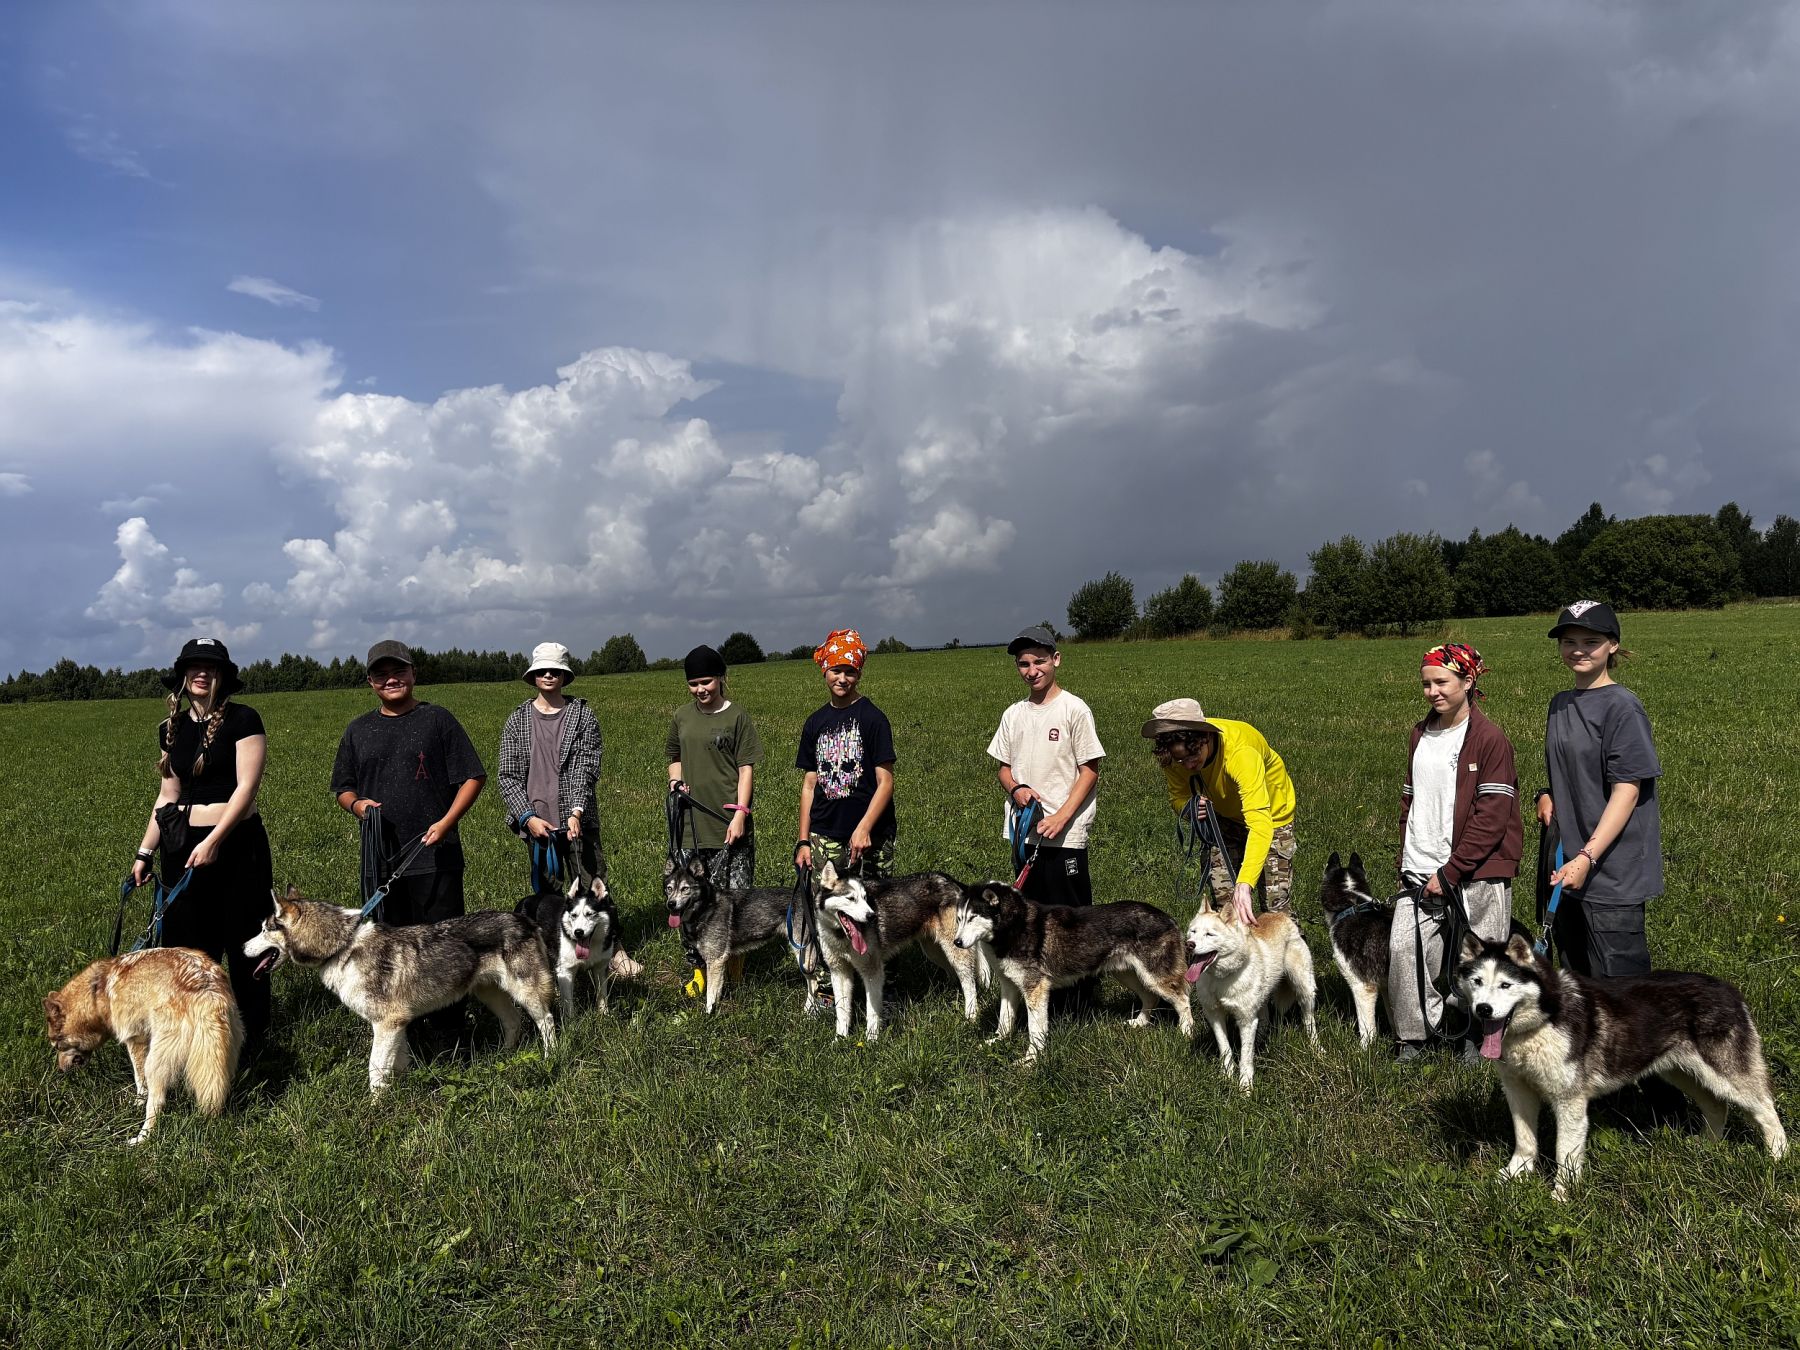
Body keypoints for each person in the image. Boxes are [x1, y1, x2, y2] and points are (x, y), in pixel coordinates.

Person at [331, 640, 486, 1040]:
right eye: (381, 674)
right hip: (381, 862)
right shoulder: (358, 730)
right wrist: (359, 806)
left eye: (398, 671)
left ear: (414, 674)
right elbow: (343, 788)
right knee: (392, 953)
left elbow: (473, 776)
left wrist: (447, 822)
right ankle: (405, 1033)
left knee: (444, 948)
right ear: (370, 682)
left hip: (436, 855)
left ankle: (452, 1032)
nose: (391, 679)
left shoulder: (437, 720)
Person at [129, 638, 273, 1047]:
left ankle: (253, 1041)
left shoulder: (244, 720)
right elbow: (166, 797)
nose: (202, 673)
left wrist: (213, 840)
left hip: (236, 845)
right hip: (181, 847)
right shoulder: (170, 728)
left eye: (211, 667)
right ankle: (195, 1041)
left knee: (245, 944)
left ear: (223, 675)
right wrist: (145, 852)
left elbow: (246, 789)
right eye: (194, 666)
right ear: (183, 675)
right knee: (188, 952)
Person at [1390, 642, 1522, 1059]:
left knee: (1484, 959)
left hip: (1478, 869)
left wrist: (1452, 870)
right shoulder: (1419, 733)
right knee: (1403, 949)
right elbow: (1410, 802)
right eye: (1427, 684)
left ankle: (1479, 1034)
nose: (1433, 692)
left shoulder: (1489, 739)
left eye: (1442, 682)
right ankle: (1415, 1035)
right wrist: (1406, 857)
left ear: (1468, 681)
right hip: (1420, 866)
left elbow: (1493, 814)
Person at [498, 641, 640, 979]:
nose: (549, 675)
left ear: (564, 675)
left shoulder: (582, 716)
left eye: (555, 670)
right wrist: (527, 817)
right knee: (548, 894)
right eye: (542, 670)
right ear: (533, 676)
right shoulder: (517, 720)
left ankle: (612, 951)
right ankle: (555, 955)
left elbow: (586, 768)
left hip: (579, 821)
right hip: (537, 824)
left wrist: (575, 811)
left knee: (594, 887)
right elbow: (507, 776)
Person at [1535, 601, 1661, 977]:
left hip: (1610, 873)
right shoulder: (1560, 704)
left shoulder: (1623, 708)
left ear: (1613, 646)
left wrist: (1587, 857)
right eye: (1568, 640)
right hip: (1564, 868)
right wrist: (1546, 793)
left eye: (1590, 641)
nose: (1577, 649)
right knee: (1575, 983)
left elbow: (1628, 792)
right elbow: (1571, 771)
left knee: (1622, 993)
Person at [1141, 697, 1295, 925]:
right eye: (1181, 760)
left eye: (1193, 757)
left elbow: (1260, 824)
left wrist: (1244, 884)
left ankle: (1294, 956)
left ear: (1205, 738)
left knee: (1275, 910)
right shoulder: (1176, 758)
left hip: (1271, 818)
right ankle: (1232, 958)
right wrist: (1189, 808)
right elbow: (1178, 797)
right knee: (1226, 909)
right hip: (1224, 818)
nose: (1188, 766)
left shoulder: (1240, 753)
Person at [987, 626, 1105, 909]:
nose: (1032, 671)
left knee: (1072, 920)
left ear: (1056, 660)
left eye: (1039, 661)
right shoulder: (1013, 714)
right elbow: (1004, 769)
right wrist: (1016, 789)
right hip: (1025, 833)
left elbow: (1089, 771)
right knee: (1031, 917)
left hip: (1065, 835)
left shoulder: (1074, 710)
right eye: (1024, 664)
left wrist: (1061, 818)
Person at [795, 628, 897, 882]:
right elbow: (809, 785)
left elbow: (885, 783)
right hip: (825, 834)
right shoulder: (814, 723)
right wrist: (804, 840)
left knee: (875, 911)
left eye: (850, 671)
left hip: (873, 834)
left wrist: (864, 827)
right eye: (836, 670)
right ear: (825, 671)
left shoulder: (873, 719)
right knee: (828, 909)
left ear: (859, 674)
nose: (842, 678)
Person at [665, 644, 762, 890]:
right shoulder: (681, 716)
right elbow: (674, 757)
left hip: (727, 821)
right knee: (691, 901)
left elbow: (745, 770)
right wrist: (675, 782)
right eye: (693, 684)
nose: (700, 689)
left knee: (735, 902)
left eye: (706, 682)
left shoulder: (737, 717)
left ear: (720, 678)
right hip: (689, 824)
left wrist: (741, 814)